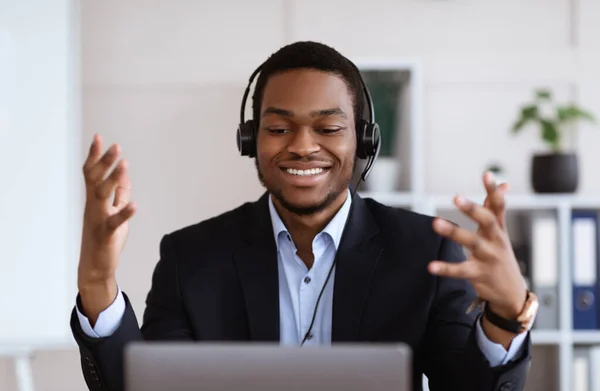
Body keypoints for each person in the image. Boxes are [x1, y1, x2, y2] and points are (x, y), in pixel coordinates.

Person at [71, 41, 536, 391]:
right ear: (251, 140)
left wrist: (507, 315)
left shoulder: (424, 250)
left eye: (329, 128)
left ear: (363, 142)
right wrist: (97, 282)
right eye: (278, 128)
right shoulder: (191, 258)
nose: (302, 146)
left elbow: (468, 386)